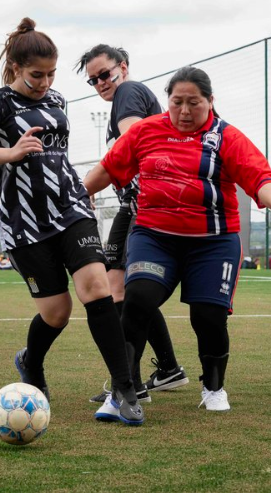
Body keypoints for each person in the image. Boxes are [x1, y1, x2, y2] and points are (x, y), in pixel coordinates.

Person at [0, 17, 143, 425]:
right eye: (36, 75)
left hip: (71, 207)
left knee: (96, 287)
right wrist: (10, 153)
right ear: (15, 69)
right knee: (57, 312)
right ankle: (31, 364)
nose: (44, 82)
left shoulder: (57, 99)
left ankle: (125, 389)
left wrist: (81, 191)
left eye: (51, 74)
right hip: (24, 223)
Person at [83, 66, 271, 412]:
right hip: (154, 237)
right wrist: (80, 192)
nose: (184, 111)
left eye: (193, 103)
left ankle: (213, 388)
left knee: (208, 316)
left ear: (211, 101)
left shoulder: (226, 137)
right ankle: (123, 390)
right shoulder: (146, 132)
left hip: (213, 242)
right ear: (167, 101)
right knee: (137, 299)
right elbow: (109, 167)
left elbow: (259, 176)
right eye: (176, 102)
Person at [77, 44, 187, 403]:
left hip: (146, 203)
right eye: (93, 80)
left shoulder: (129, 91)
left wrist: (90, 183)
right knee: (119, 287)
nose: (100, 83)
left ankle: (130, 383)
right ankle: (166, 369)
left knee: (124, 291)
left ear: (122, 67)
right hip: (132, 203)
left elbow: (133, 140)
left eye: (104, 74)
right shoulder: (125, 98)